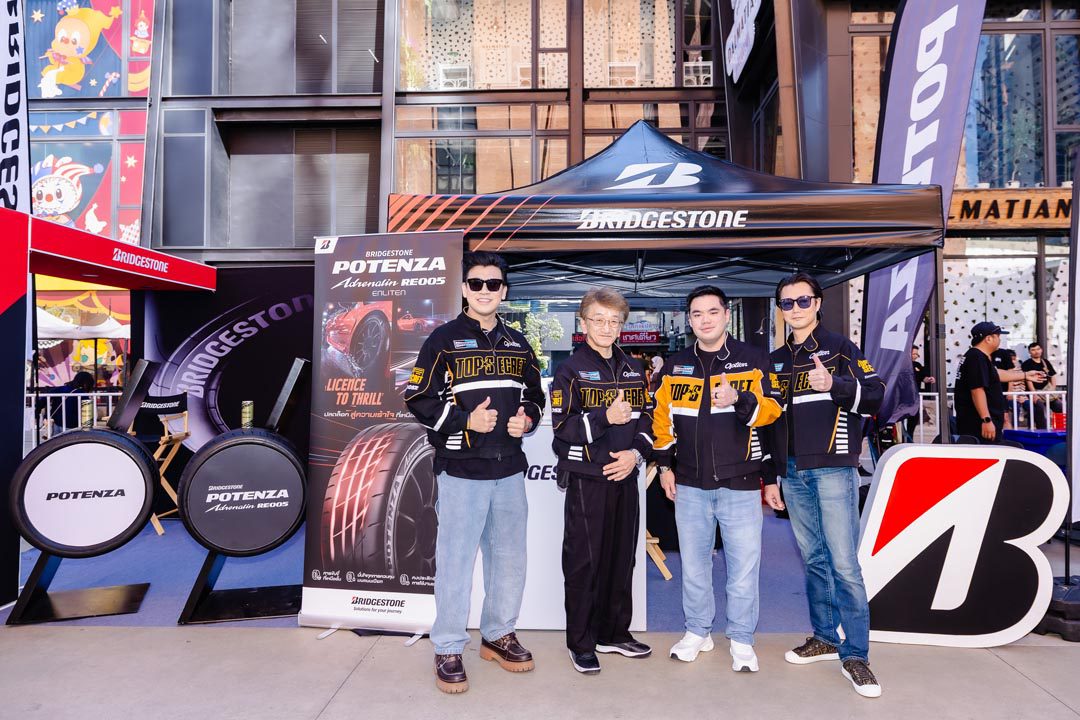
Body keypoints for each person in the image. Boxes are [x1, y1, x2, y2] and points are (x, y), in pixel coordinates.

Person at [403, 251, 546, 694]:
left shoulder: (519, 343)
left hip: (509, 469)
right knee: (456, 562)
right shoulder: (442, 340)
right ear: (465, 289)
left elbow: (536, 395)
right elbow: (418, 398)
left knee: (509, 559)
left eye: (494, 283)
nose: (485, 290)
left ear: (504, 291)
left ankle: (498, 635)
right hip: (461, 470)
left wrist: (528, 419)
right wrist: (466, 421)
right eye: (477, 283)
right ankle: (448, 646)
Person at [651, 286, 784, 671]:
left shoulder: (754, 361)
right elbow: (661, 422)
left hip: (740, 484)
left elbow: (774, 411)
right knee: (694, 568)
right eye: (697, 313)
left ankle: (741, 638)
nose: (705, 319)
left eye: (712, 312)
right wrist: (665, 466)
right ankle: (698, 631)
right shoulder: (674, 366)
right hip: (689, 485)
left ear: (726, 315)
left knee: (742, 569)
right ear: (689, 320)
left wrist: (739, 400)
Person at [768, 271, 884, 698]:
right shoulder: (775, 360)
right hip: (792, 471)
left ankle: (856, 655)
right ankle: (824, 637)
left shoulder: (840, 348)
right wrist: (772, 474)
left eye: (803, 301)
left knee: (844, 564)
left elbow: (876, 395)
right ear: (780, 310)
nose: (795, 309)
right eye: (787, 303)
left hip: (834, 468)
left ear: (817, 303)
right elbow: (769, 422)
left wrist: (834, 384)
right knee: (814, 559)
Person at [550, 288, 656, 675]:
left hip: (626, 476)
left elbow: (649, 420)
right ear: (583, 323)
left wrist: (635, 455)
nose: (607, 327)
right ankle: (581, 643)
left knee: (622, 559)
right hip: (588, 480)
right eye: (599, 319)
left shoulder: (633, 368)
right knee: (585, 563)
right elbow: (562, 428)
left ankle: (613, 634)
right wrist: (604, 418)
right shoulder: (569, 369)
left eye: (614, 321)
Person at [954, 322, 1044, 442]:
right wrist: (986, 420)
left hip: (980, 422)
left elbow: (996, 374)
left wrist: (1025, 375)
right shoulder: (977, 357)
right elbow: (977, 390)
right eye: (998, 336)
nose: (1000, 340)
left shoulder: (978, 356)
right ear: (988, 339)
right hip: (978, 425)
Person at [1022, 342, 1061, 429]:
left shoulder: (1045, 362)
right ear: (1029, 352)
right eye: (1033, 350)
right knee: (1039, 407)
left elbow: (1052, 375)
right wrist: (1034, 394)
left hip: (1046, 390)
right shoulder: (1026, 364)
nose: (1036, 351)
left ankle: (1059, 428)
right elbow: (1028, 380)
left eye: (1038, 349)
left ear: (1041, 350)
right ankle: (1042, 429)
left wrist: (1053, 389)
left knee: (1059, 405)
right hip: (1034, 391)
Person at [903, 346, 936, 442]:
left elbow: (923, 378)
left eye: (917, 354)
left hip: (914, 396)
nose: (916, 356)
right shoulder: (901, 364)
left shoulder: (917, 365)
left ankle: (909, 438)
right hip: (903, 396)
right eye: (914, 354)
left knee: (914, 418)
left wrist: (929, 379)